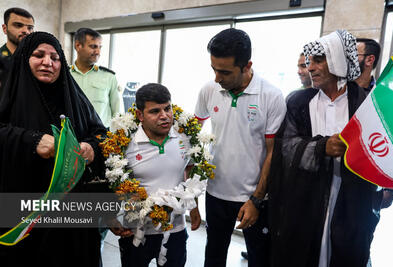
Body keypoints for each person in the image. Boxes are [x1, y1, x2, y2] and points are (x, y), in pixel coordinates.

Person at [267, 30, 382, 267]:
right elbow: (286, 146)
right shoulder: (298, 102)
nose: (310, 68)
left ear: (339, 61)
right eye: (310, 62)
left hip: (350, 202)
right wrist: (322, 147)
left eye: (319, 60)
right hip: (304, 201)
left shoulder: (366, 104)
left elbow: (381, 149)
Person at [0, 31, 108, 267]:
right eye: (38, 55)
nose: (47, 62)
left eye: (55, 57)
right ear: (24, 59)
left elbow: (101, 133)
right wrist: (30, 140)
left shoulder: (75, 98)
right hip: (22, 207)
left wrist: (91, 147)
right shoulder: (5, 95)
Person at [195, 28, 286, 267]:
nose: (217, 78)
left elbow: (272, 152)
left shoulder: (271, 96)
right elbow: (191, 132)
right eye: (213, 69)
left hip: (253, 198)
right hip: (215, 193)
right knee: (213, 256)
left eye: (224, 71)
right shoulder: (208, 90)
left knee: (259, 258)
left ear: (247, 66)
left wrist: (256, 200)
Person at [116, 83, 201, 267]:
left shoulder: (185, 136)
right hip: (135, 231)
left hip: (175, 228)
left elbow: (190, 169)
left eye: (167, 108)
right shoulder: (124, 143)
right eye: (154, 111)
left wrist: (194, 206)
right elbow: (113, 183)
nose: (164, 116)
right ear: (140, 115)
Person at [70, 27, 121, 128]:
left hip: (102, 139)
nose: (98, 52)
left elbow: (118, 114)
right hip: (72, 138)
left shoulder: (109, 77)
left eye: (100, 47)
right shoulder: (65, 75)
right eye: (93, 47)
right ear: (78, 46)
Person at [0, 7, 34, 91]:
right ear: (5, 29)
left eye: (30, 28)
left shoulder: (36, 60)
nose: (26, 31)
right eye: (18, 25)